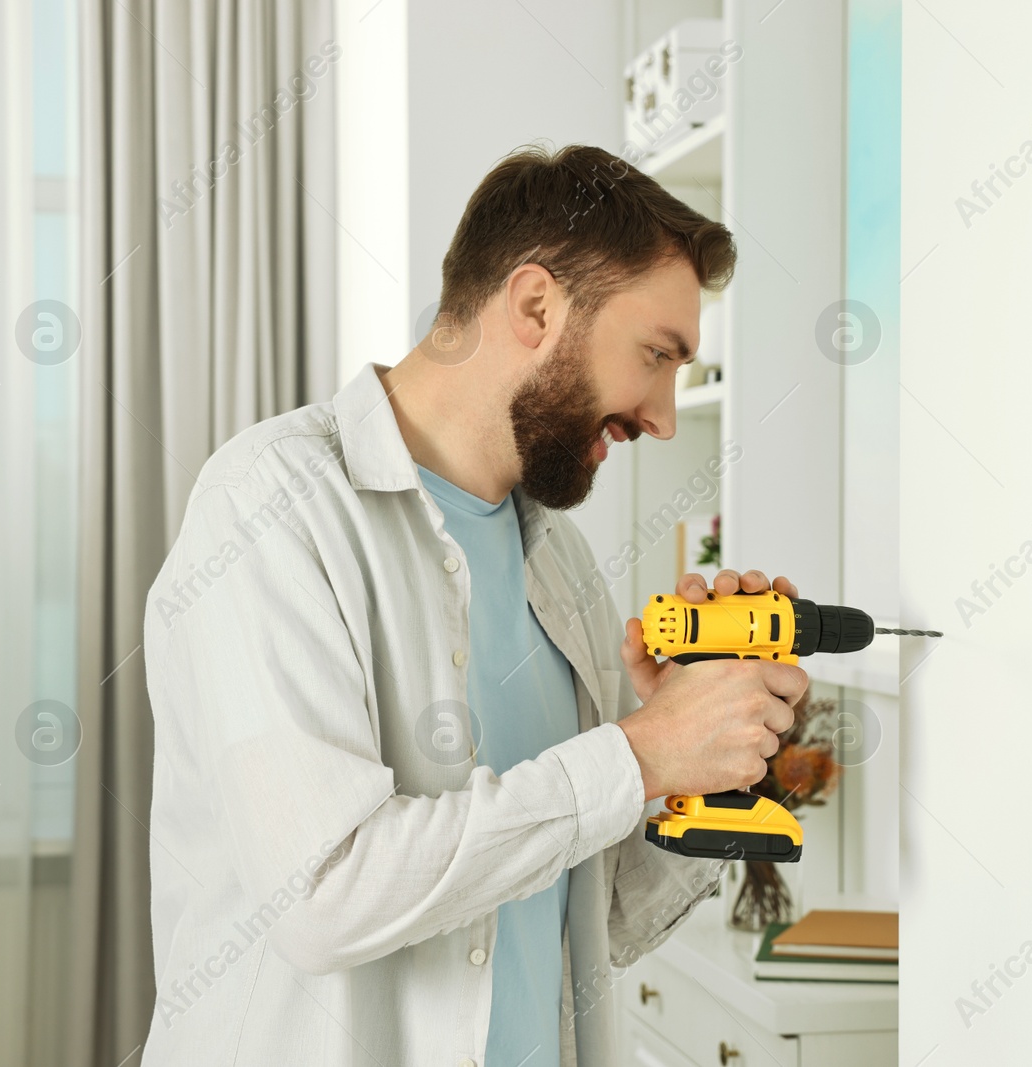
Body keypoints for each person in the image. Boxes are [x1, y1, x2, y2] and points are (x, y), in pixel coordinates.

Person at [140, 144, 810, 1066]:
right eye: (656, 355)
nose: (661, 416)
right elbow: (322, 897)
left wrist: (707, 756)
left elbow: (596, 909)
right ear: (536, 305)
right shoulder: (270, 506)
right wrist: (640, 750)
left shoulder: (563, 566)